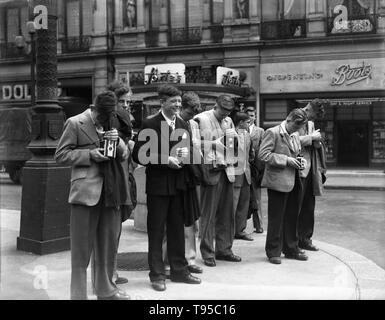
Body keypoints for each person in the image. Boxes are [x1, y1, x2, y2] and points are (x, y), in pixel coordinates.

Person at [55, 91, 130, 300]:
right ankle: (78, 296)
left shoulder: (111, 121)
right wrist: (89, 155)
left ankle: (106, 290)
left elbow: (124, 155)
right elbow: (61, 154)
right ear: (94, 109)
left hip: (111, 192)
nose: (103, 121)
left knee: (108, 246)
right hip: (85, 193)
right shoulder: (75, 123)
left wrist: (119, 142)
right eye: (100, 117)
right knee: (80, 252)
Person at [132, 84, 201, 292]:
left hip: (179, 186)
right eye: (174, 102)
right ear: (162, 103)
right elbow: (138, 155)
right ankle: (157, 275)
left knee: (177, 230)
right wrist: (166, 159)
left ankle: (179, 271)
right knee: (156, 231)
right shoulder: (150, 123)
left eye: (179, 102)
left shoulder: (183, 123)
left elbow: (188, 150)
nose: (178, 105)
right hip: (158, 187)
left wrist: (186, 155)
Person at [194, 95, 241, 267]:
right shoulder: (200, 119)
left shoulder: (229, 121)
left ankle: (224, 250)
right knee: (208, 214)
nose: (225, 114)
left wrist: (235, 139)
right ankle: (207, 252)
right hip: (210, 171)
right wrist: (214, 143)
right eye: (223, 110)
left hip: (227, 170)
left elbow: (233, 145)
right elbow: (193, 143)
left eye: (228, 111)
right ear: (215, 106)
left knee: (227, 213)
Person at [258, 108, 309, 265]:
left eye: (299, 128)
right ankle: (273, 251)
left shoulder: (295, 134)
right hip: (277, 182)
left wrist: (300, 161)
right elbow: (263, 154)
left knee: (292, 216)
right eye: (295, 126)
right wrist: (286, 160)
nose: (296, 130)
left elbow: (296, 153)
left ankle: (291, 248)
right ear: (288, 119)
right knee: (276, 218)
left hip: (294, 179)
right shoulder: (272, 133)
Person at [105, 81, 135, 285]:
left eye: (128, 101)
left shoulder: (123, 122)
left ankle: (111, 272)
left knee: (115, 231)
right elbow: (108, 154)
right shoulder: (109, 123)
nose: (126, 105)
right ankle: (108, 275)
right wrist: (123, 146)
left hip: (123, 179)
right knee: (109, 232)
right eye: (122, 101)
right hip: (113, 182)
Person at [178, 91, 204, 273]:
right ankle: (171, 258)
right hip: (176, 174)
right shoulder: (172, 123)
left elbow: (196, 146)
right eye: (188, 113)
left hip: (191, 175)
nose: (191, 117)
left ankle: (189, 258)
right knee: (173, 221)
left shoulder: (193, 124)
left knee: (191, 220)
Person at [298, 99, 327, 252]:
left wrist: (317, 142)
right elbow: (291, 140)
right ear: (309, 109)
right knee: (297, 206)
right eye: (314, 116)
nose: (312, 120)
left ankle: (306, 239)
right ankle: (294, 239)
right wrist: (312, 138)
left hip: (311, 169)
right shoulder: (296, 116)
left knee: (309, 206)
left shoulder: (310, 122)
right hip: (299, 168)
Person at [233, 112, 254, 241]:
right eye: (247, 122)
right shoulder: (231, 134)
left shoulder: (247, 135)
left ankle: (240, 230)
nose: (248, 125)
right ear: (240, 123)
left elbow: (250, 153)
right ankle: (228, 230)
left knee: (243, 204)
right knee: (232, 205)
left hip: (246, 173)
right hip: (234, 173)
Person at [246, 105, 265, 234]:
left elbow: (263, 151)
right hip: (243, 167)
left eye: (252, 116)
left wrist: (261, 169)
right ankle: (241, 226)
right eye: (248, 115)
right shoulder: (239, 129)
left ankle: (258, 225)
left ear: (255, 117)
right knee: (244, 198)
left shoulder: (260, 131)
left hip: (256, 169)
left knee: (257, 198)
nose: (250, 118)